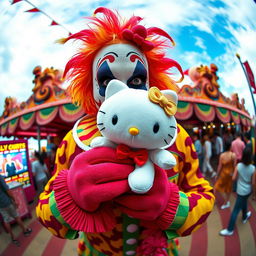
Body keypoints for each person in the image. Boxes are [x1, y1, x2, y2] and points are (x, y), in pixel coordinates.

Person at [36, 8, 215, 256]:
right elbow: (44, 211)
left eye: (137, 81)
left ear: (152, 82)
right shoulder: (73, 142)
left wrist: (173, 206)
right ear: (93, 86)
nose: (125, 92)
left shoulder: (176, 137)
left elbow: (204, 194)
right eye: (108, 82)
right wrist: (69, 197)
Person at [219, 147, 256, 236]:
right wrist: (254, 194)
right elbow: (253, 183)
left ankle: (230, 229)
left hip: (240, 190)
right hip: (248, 190)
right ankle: (244, 216)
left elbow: (233, 178)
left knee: (235, 210)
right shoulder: (253, 168)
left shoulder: (238, 166)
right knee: (243, 202)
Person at [0, 175, 32, 246]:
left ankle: (13, 237)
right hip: (7, 202)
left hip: (0, 205)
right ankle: (25, 231)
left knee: (6, 220)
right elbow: (7, 190)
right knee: (16, 216)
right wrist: (14, 200)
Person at [214, 139, 236, 209]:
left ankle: (214, 200)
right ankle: (227, 202)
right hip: (230, 174)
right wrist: (235, 175)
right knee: (228, 188)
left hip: (223, 174)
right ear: (230, 147)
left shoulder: (222, 155)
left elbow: (220, 166)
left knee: (216, 187)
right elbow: (235, 166)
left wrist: (217, 174)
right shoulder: (233, 155)